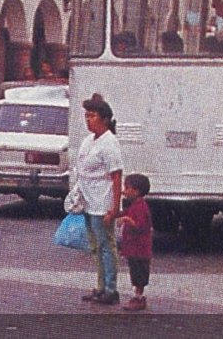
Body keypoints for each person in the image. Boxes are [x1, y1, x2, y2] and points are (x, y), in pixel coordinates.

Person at [78, 93, 124, 305]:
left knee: (107, 245)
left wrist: (114, 208)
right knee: (95, 246)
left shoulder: (109, 143)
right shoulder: (89, 141)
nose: (88, 120)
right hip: (88, 202)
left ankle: (110, 288)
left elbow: (116, 176)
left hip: (102, 203)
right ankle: (100, 285)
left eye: (93, 115)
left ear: (104, 119)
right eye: (86, 116)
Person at [117, 173, 153, 311]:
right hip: (134, 248)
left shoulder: (141, 208)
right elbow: (125, 212)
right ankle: (137, 296)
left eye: (127, 188)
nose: (124, 191)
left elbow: (140, 226)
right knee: (135, 272)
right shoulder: (135, 205)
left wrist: (125, 219)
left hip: (140, 249)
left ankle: (139, 297)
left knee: (139, 274)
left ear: (136, 191)